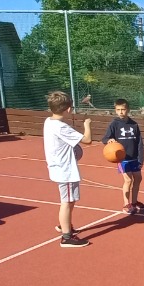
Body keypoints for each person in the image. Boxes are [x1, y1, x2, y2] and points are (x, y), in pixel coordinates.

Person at [44, 91, 92, 248]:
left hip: (59, 168)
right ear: (68, 109)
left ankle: (64, 224)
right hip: (66, 170)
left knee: (69, 200)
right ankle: (66, 237)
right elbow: (87, 140)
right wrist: (87, 125)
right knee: (67, 201)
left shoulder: (48, 121)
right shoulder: (62, 127)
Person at [101, 98, 144, 214]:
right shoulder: (114, 124)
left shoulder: (134, 124)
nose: (121, 112)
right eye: (118, 110)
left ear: (128, 110)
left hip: (134, 158)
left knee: (138, 178)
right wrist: (109, 140)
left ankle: (134, 202)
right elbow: (105, 138)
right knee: (128, 180)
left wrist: (141, 159)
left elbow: (139, 143)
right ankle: (126, 204)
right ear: (115, 110)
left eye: (123, 109)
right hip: (122, 159)